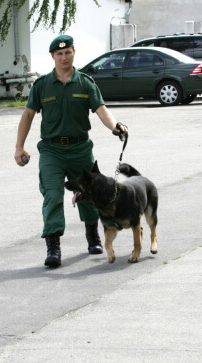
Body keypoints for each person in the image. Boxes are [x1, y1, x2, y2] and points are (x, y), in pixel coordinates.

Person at [15, 35, 128, 267]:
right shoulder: (42, 85)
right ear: (53, 56)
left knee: (89, 195)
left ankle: (92, 236)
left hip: (80, 149)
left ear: (74, 52)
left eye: (68, 53)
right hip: (51, 151)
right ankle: (53, 248)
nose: (64, 57)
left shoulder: (85, 83)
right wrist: (19, 147)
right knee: (52, 195)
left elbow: (101, 109)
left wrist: (115, 126)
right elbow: (27, 115)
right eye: (59, 54)